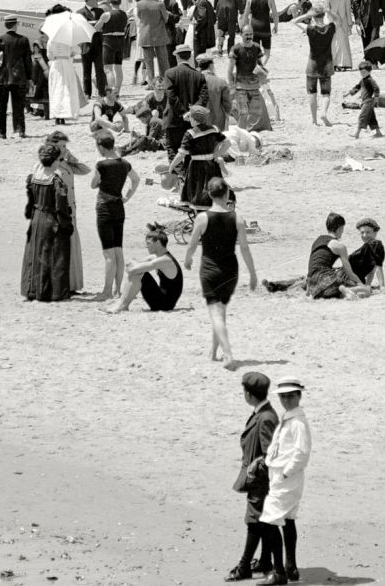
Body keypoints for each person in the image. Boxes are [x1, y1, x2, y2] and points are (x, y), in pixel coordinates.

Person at [184, 177, 259, 366]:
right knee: (220, 312)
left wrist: (188, 259)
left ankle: (228, 355)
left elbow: (192, 244)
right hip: (230, 271)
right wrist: (252, 274)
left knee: (216, 313)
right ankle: (213, 352)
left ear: (209, 194)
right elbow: (244, 249)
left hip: (210, 270)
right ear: (227, 194)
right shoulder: (238, 219)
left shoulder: (202, 218)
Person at [258, 378, 311, 586]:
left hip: (286, 477)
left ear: (299, 396)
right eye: (283, 396)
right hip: (280, 474)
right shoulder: (290, 417)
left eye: (290, 396)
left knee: (269, 521)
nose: (286, 400)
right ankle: (291, 567)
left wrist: (286, 473)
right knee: (288, 519)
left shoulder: (297, 421)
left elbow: (302, 453)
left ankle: (278, 571)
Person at [228, 371, 281, 582]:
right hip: (260, 480)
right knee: (263, 522)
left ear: (249, 394)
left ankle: (244, 567)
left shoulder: (266, 417)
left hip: (260, 482)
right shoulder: (264, 412)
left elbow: (269, 454)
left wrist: (254, 469)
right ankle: (265, 561)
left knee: (254, 521)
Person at [21, 143, 77, 302]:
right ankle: (52, 292)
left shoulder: (33, 178)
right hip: (51, 219)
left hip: (37, 218)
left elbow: (30, 201)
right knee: (55, 255)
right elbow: (61, 207)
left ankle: (32, 290)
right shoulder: (56, 181)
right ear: (54, 161)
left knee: (35, 253)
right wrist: (66, 224)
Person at [89, 131, 139, 300]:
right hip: (119, 205)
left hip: (104, 206)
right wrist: (127, 196)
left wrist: (101, 182)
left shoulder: (101, 164)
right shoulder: (125, 163)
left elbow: (93, 184)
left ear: (102, 147)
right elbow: (136, 179)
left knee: (108, 254)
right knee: (118, 250)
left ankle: (107, 291)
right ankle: (118, 290)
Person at [106, 221, 184, 313]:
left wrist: (134, 266)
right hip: (162, 299)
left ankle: (122, 306)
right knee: (138, 271)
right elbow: (130, 265)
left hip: (164, 305)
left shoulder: (165, 260)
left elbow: (132, 269)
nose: (146, 246)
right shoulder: (157, 257)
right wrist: (134, 265)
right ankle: (121, 304)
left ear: (158, 243)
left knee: (138, 272)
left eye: (148, 243)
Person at [0, 16, 32, 140]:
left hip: (3, 78)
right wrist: (29, 77)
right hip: (19, 77)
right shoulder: (23, 40)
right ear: (15, 25)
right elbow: (27, 61)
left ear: (5, 25)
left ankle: (2, 133)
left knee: (1, 107)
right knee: (19, 105)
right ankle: (20, 131)